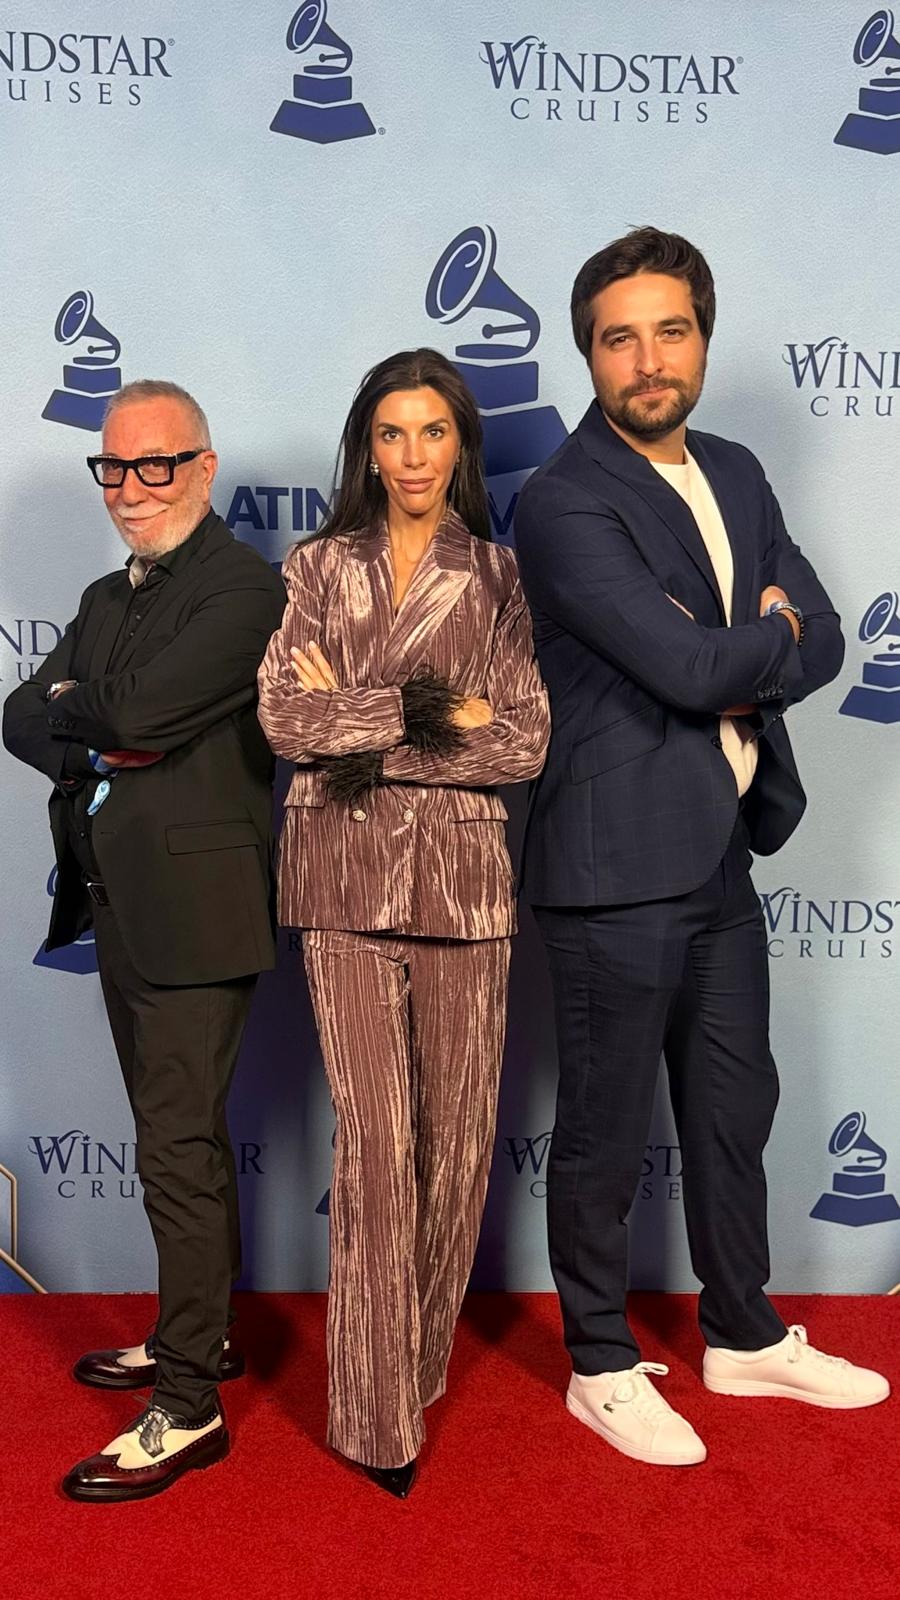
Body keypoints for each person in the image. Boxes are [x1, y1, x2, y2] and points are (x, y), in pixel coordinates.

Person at [513, 227, 890, 1468]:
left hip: (721, 846)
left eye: (669, 330)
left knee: (735, 1105)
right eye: (618, 338)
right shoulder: (562, 497)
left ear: (704, 340)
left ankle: (744, 1332)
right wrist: (763, 634)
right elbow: (682, 664)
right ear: (589, 355)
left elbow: (826, 631)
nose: (648, 359)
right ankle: (600, 1361)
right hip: (610, 860)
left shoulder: (733, 468)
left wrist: (757, 637)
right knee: (606, 1124)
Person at [257, 347, 549, 1497]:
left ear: (461, 443)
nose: (413, 455)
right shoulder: (319, 565)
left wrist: (359, 720)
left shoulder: (499, 575)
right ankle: (375, 1418)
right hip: (341, 880)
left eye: (434, 431)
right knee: (377, 1145)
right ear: (366, 448)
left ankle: (415, 1366)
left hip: (467, 888)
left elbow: (523, 741)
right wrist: (427, 708)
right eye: (392, 433)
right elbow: (286, 717)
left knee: (458, 1147)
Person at [3, 380, 286, 1501]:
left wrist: (93, 705)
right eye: (113, 468)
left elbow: (128, 713)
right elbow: (22, 715)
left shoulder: (246, 588)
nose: (130, 489)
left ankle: (188, 1407)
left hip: (199, 914)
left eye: (155, 465)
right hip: (121, 900)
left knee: (174, 1150)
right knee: (183, 1143)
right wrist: (95, 719)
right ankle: (199, 1336)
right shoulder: (101, 594)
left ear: (204, 469)